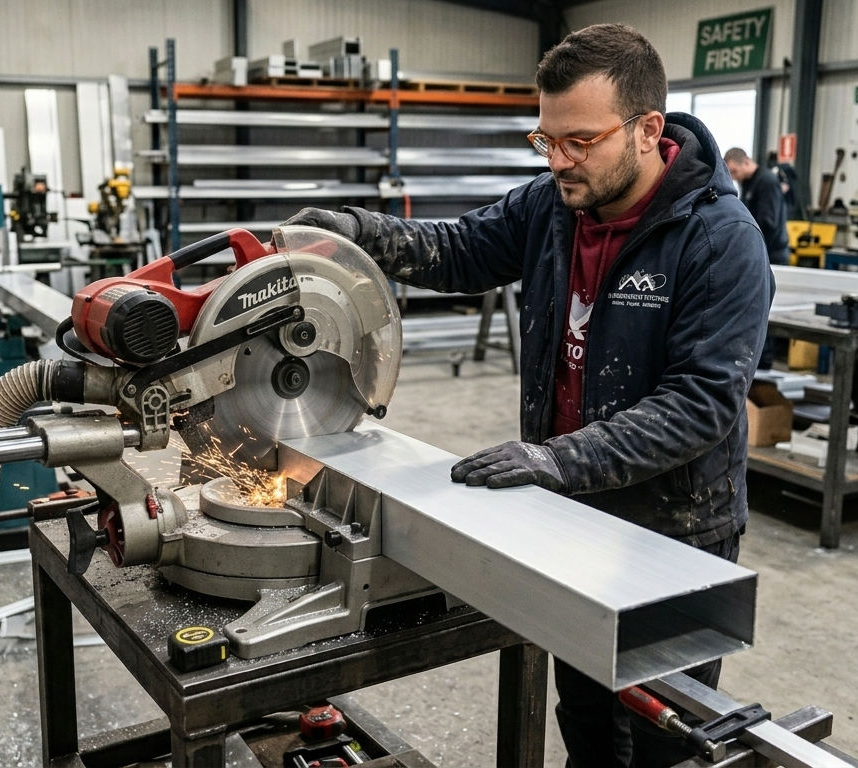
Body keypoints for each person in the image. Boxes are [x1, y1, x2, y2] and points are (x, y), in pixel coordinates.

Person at [286, 23, 771, 768]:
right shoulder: (554, 204)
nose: (559, 160)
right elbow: (459, 248)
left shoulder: (717, 238)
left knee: (658, 740)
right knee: (583, 721)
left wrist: (556, 461)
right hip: (571, 520)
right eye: (545, 140)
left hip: (672, 533)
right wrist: (353, 233)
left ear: (648, 130)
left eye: (579, 141)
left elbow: (700, 404)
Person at [724, 147, 789, 266]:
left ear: (746, 162)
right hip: (758, 251)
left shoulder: (767, 181)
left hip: (772, 254)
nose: (733, 178)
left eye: (734, 171)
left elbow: (768, 222)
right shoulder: (747, 182)